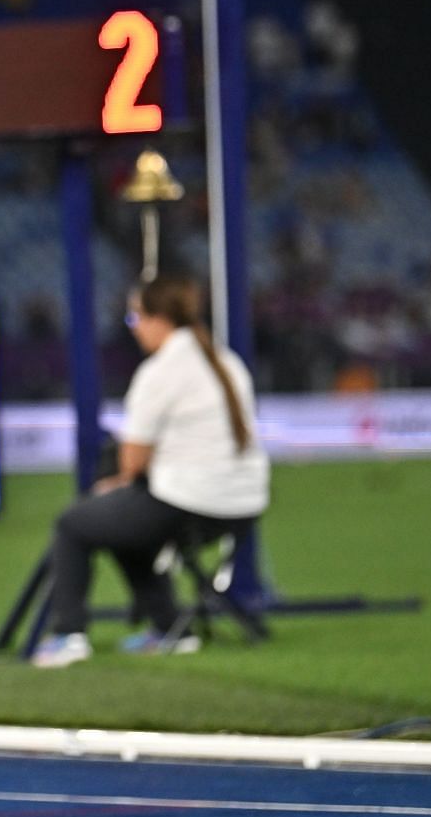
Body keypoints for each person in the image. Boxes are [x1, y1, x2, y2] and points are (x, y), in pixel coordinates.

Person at [31, 275, 271, 668]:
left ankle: (68, 634)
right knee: (124, 519)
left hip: (192, 502)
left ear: (159, 320)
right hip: (243, 506)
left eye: (135, 318)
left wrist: (121, 482)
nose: (134, 328)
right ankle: (170, 628)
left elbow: (131, 462)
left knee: (74, 523)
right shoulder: (226, 362)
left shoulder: (159, 372)